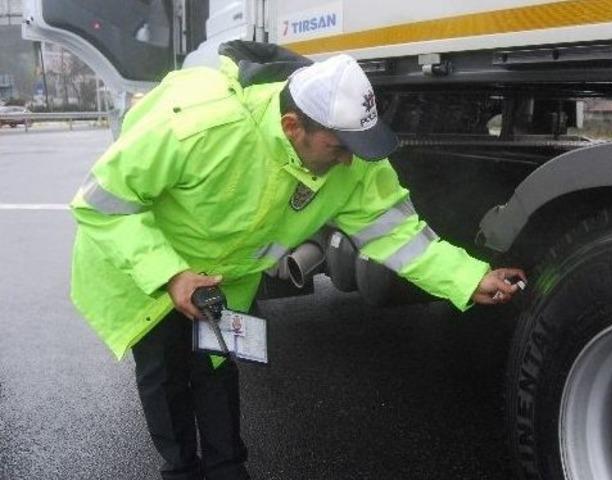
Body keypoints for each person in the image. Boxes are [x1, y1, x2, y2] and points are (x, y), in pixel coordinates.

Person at [68, 41, 525, 480]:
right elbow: (101, 202)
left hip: (221, 278)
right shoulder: (204, 128)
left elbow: (399, 234)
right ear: (292, 127)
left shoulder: (353, 159)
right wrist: (169, 275)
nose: (350, 161)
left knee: (214, 365)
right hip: (146, 263)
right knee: (164, 372)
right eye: (338, 147)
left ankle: (229, 470)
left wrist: (470, 278)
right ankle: (180, 471)